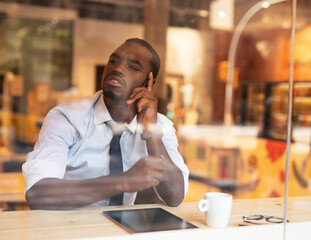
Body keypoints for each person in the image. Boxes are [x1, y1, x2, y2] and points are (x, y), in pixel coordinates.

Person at [22, 38, 189, 210]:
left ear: (148, 83)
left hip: (119, 232)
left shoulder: (160, 125)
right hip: (66, 229)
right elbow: (38, 195)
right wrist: (125, 181)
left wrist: (151, 130)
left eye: (133, 67)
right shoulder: (67, 118)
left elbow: (175, 196)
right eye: (113, 61)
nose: (117, 68)